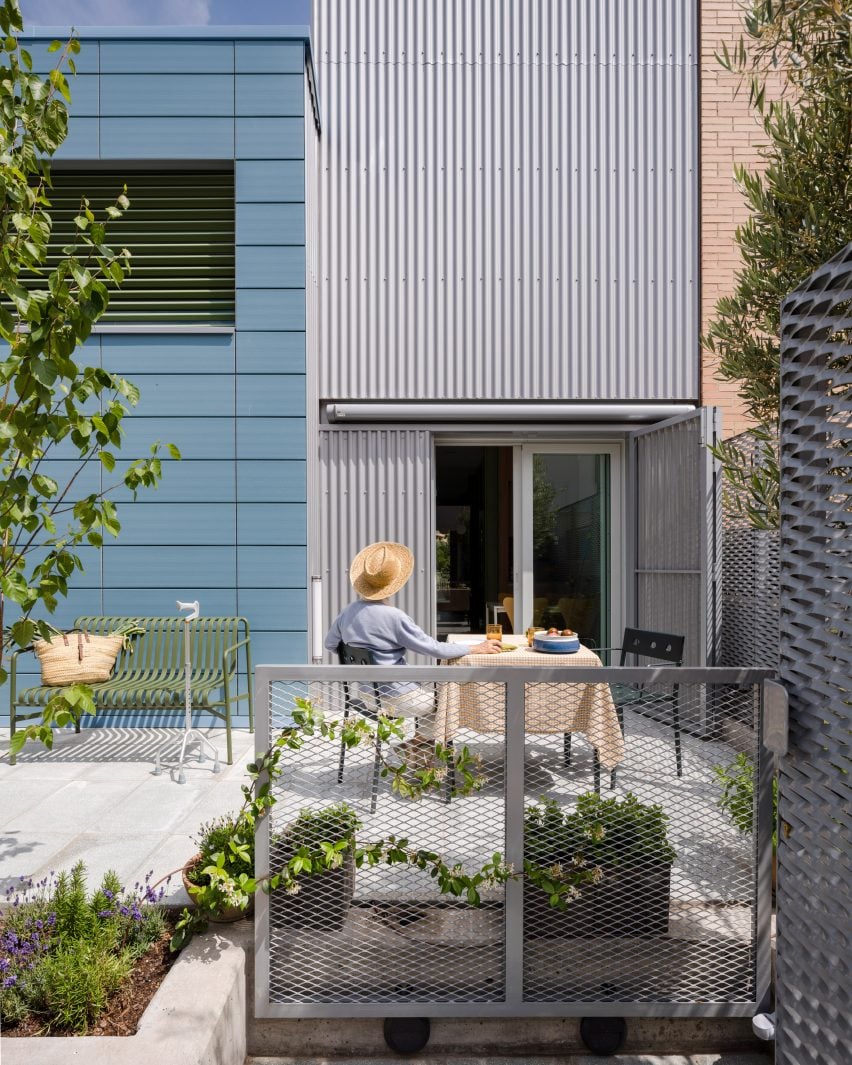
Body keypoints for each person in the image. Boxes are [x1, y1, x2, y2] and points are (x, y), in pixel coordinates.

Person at [324, 541, 501, 762]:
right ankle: (415, 747)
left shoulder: (347, 612)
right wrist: (476, 648)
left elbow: (330, 645)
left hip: (366, 696)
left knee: (434, 696)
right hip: (397, 699)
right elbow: (433, 649)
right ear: (394, 583)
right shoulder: (394, 617)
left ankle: (416, 751)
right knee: (445, 701)